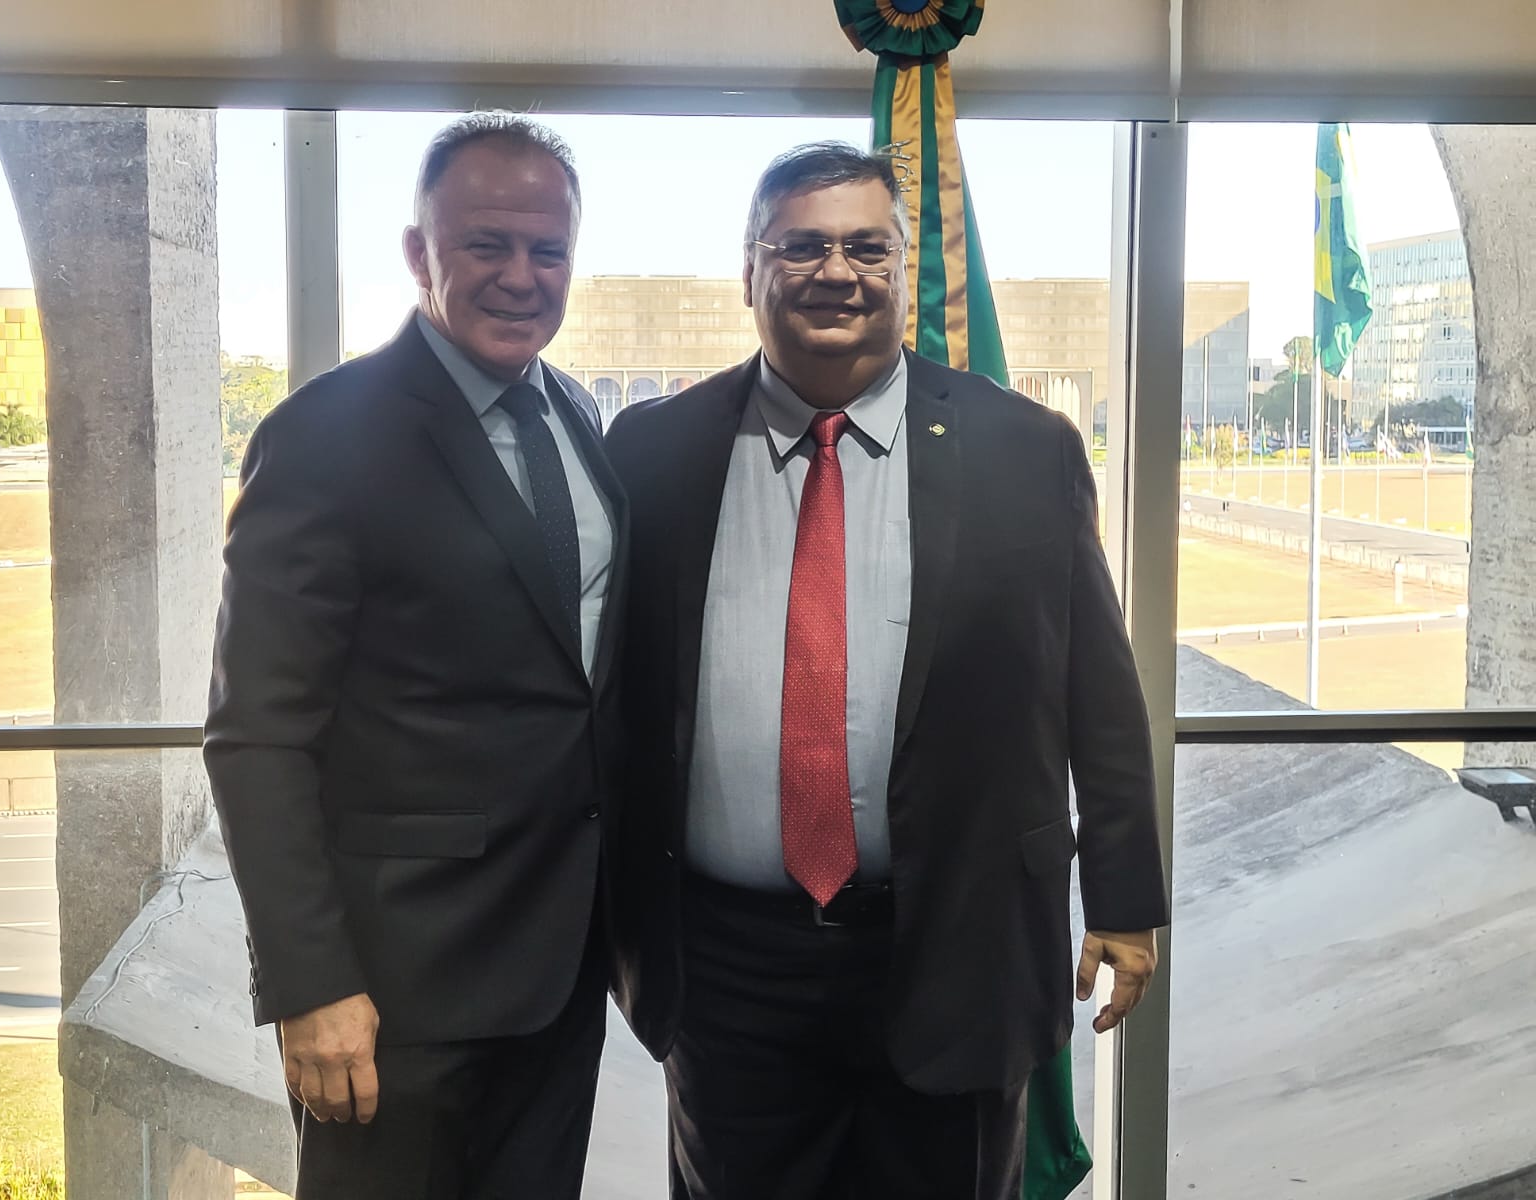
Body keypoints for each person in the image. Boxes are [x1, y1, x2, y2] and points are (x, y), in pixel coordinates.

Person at [604, 141, 1168, 1199]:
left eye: (868, 248)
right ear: (749, 270)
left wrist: (1124, 896)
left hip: (957, 946)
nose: (838, 272)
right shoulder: (651, 451)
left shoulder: (1024, 449)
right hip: (728, 971)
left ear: (905, 270)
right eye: (802, 247)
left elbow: (1096, 691)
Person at [203, 112, 624, 1200]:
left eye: (548, 250)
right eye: (486, 244)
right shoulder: (323, 436)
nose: (521, 276)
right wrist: (310, 983)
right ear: (417, 252)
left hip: (559, 971)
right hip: (396, 992)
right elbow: (257, 735)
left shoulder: (574, 411)